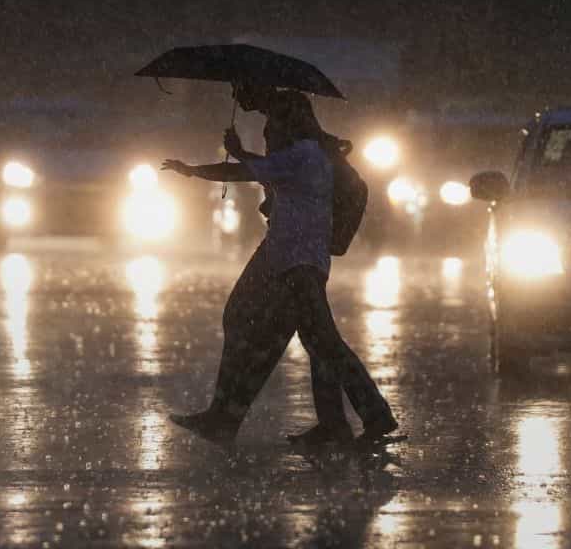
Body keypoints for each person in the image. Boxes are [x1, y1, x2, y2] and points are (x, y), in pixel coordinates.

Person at [162, 91, 398, 446]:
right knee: (312, 341)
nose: (269, 136)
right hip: (288, 258)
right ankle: (328, 423)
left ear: (290, 125)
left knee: (319, 341)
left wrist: (195, 169)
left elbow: (243, 171)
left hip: (298, 263)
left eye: (273, 130)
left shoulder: (304, 155)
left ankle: (374, 415)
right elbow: (261, 170)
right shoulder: (306, 154)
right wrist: (241, 152)